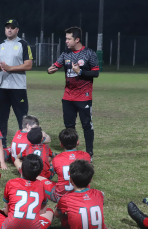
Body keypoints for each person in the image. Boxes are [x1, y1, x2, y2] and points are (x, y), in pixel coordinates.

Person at [47, 26, 99, 158]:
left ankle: (89, 152)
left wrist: (80, 72)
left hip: (84, 97)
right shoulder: (66, 54)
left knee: (87, 125)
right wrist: (50, 70)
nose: (66, 41)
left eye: (69, 39)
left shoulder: (89, 53)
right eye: (66, 39)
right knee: (69, 126)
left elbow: (95, 73)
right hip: (68, 97)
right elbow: (55, 66)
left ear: (77, 40)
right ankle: (72, 151)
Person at [0, 19, 33, 148]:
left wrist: (11, 68)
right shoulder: (0, 44)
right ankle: (2, 146)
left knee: (22, 118)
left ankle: (25, 144)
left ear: (17, 30)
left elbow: (29, 64)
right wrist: (1, 67)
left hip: (18, 87)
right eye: (7, 27)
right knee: (2, 118)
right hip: (2, 87)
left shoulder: (23, 44)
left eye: (12, 28)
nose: (9, 30)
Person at [0, 154, 53, 229]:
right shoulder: (41, 185)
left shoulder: (11, 183)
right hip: (33, 226)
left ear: (21, 169)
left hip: (10, 226)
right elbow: (42, 211)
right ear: (39, 173)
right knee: (49, 211)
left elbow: (7, 212)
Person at [54, 160, 107, 229]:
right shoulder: (98, 194)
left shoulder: (66, 199)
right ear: (91, 179)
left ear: (70, 180)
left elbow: (56, 214)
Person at [42, 128, 91, 203]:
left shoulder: (56, 159)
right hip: (82, 193)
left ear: (61, 144)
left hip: (62, 196)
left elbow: (50, 175)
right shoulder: (86, 156)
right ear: (77, 142)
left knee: (40, 179)